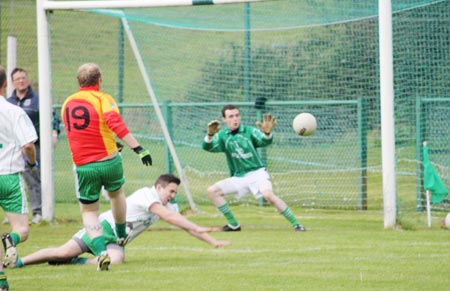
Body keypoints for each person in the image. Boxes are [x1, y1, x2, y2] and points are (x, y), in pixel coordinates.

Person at [9, 174, 231, 269]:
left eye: (175, 192)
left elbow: (183, 225)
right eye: (171, 191)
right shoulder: (148, 194)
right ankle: (19, 262)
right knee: (62, 251)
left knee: (115, 261)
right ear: (160, 187)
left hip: (117, 239)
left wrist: (213, 242)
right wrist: (195, 225)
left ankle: (73, 263)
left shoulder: (163, 203)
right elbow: (170, 217)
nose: (173, 195)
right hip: (102, 229)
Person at [61, 63, 153, 271]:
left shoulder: (67, 102)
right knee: (116, 195)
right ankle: (121, 235)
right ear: (99, 80)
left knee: (89, 211)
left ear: (79, 82)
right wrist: (138, 148)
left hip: (84, 166)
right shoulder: (103, 98)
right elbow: (114, 122)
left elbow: (83, 131)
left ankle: (102, 252)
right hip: (109, 161)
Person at [202, 104, 306, 232]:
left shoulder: (249, 131)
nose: (235, 119)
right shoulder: (223, 135)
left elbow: (264, 141)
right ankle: (233, 224)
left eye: (237, 115)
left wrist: (267, 133)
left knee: (268, 195)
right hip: (239, 177)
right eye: (231, 116)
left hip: (257, 173)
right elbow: (208, 147)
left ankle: (297, 224)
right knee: (212, 191)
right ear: (224, 119)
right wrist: (210, 135)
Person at [0, 65, 39, 290]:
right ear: (6, 84)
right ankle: (11, 240)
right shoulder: (13, 111)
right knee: (22, 230)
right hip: (9, 177)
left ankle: (1, 281)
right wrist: (32, 163)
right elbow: (28, 144)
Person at [7, 67, 60, 225]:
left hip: (33, 146)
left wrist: (54, 133)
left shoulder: (38, 99)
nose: (21, 81)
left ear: (28, 80)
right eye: (18, 79)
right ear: (12, 83)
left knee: (35, 177)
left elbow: (53, 117)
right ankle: (13, 213)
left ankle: (38, 212)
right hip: (13, 148)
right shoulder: (9, 103)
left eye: (24, 77)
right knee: (14, 179)